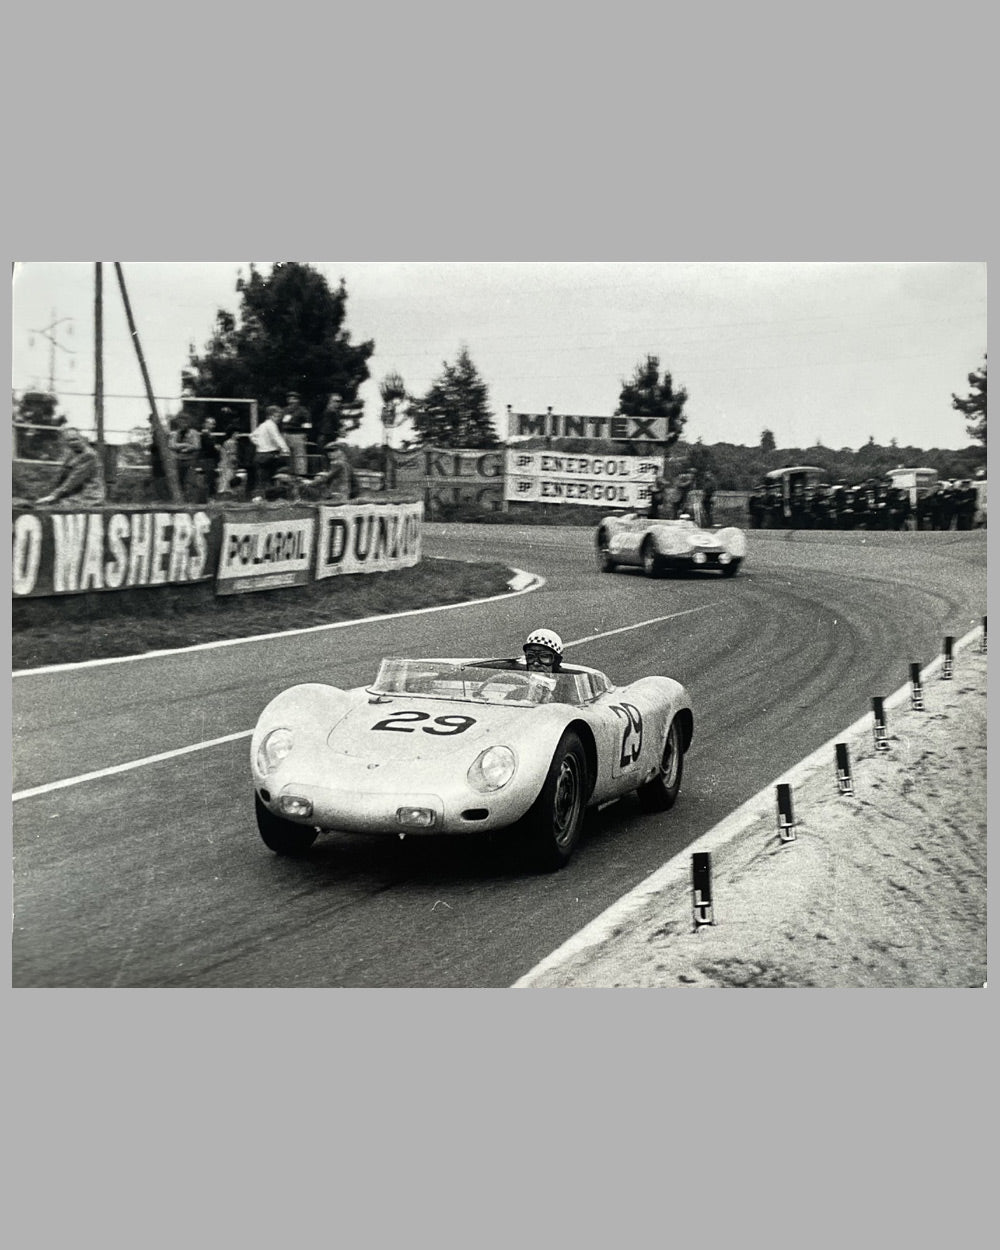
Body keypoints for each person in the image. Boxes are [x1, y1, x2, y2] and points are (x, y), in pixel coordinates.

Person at [35, 428, 106, 506]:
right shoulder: (72, 454)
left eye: (75, 439)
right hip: (73, 493)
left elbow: (75, 478)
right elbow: (62, 475)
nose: (72, 443)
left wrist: (54, 495)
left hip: (89, 495)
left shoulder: (89, 455)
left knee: (56, 506)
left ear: (83, 439)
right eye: (68, 440)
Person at [248, 405, 291, 500]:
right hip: (269, 454)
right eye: (277, 416)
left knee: (261, 478)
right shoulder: (271, 425)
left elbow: (251, 436)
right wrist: (285, 449)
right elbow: (277, 437)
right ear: (271, 415)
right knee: (271, 477)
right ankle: (270, 497)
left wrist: (260, 444)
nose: (279, 418)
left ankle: (259, 498)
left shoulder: (262, 425)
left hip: (260, 454)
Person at [168, 411, 201, 499]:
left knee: (191, 480)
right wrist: (185, 445)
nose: (182, 424)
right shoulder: (174, 433)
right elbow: (171, 445)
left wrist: (186, 448)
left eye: (185, 422)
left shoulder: (193, 433)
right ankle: (181, 498)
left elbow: (197, 445)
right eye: (180, 422)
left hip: (190, 460)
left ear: (188, 422)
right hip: (178, 460)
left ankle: (193, 498)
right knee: (179, 480)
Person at [281, 390, 312, 476]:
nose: (291, 401)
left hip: (298, 435)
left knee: (299, 456)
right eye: (289, 399)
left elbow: (308, 424)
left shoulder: (302, 410)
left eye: (294, 399)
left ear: (298, 400)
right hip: (286, 434)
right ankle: (290, 474)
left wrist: (302, 430)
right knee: (288, 457)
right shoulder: (285, 410)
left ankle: (301, 475)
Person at [197, 415, 220, 499]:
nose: (212, 426)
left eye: (213, 424)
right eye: (210, 423)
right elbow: (208, 446)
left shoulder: (210, 435)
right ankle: (207, 497)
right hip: (206, 458)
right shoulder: (204, 434)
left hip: (210, 459)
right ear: (205, 424)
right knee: (208, 478)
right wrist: (215, 447)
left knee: (211, 477)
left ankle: (209, 496)